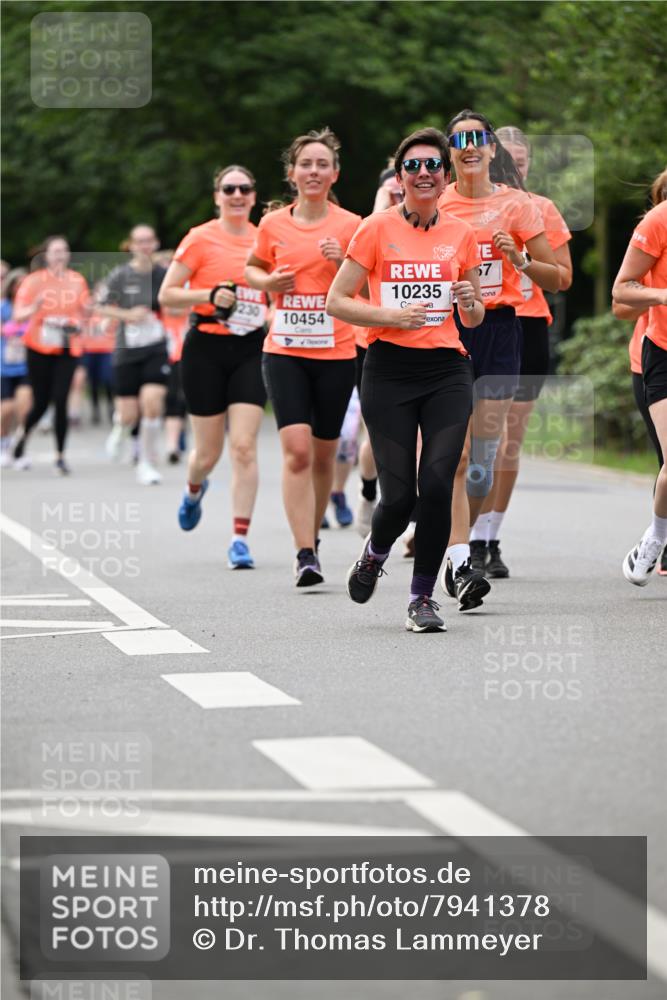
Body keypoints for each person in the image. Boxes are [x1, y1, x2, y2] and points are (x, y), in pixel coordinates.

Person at [327, 126, 484, 632]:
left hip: (447, 371)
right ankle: (375, 552)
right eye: (412, 166)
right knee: (398, 498)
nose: (423, 173)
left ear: (445, 177)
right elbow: (338, 300)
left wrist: (468, 302)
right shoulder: (375, 228)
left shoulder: (461, 234)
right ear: (400, 177)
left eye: (432, 166)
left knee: (437, 482)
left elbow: (477, 315)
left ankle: (422, 599)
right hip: (389, 370)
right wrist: (390, 317)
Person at [439, 110, 559, 609]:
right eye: (459, 139)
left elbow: (557, 277)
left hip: (503, 330)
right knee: (458, 454)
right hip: (447, 329)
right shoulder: (434, 201)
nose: (469, 146)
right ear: (450, 150)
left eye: (478, 138)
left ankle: (460, 536)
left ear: (492, 150)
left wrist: (522, 261)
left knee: (483, 464)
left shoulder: (519, 206)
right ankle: (459, 560)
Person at [245, 128, 360, 586]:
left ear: (335, 173)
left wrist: (338, 265)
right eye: (305, 164)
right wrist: (267, 283)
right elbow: (253, 267)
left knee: (323, 453)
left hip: (336, 350)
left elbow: (369, 290)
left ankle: (313, 533)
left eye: (322, 164)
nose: (313, 171)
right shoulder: (273, 225)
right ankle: (305, 552)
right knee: (296, 452)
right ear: (292, 174)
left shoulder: (352, 225)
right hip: (285, 350)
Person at [469, 125, 573, 578]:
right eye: (506, 159)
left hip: (526, 327)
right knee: (474, 441)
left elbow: (563, 276)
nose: (514, 168)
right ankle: (460, 529)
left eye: (522, 161)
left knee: (508, 442)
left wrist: (524, 261)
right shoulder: (470, 206)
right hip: (478, 325)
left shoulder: (541, 209)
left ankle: (488, 537)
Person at [159, 165, 268, 569]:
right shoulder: (200, 238)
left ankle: (239, 538)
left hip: (251, 348)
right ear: (217, 196)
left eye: (244, 188)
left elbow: (277, 290)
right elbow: (167, 295)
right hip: (204, 346)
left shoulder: (266, 238)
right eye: (229, 189)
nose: (237, 195)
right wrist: (211, 294)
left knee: (242, 446)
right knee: (207, 453)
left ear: (254, 196)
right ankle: (193, 489)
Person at [612, 171, 667, 585]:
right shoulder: (657, 221)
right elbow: (622, 294)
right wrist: (662, 296)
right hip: (661, 351)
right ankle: (657, 537)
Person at [98, 225, 170, 485]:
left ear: (156, 242)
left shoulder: (163, 274)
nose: (144, 246)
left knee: (152, 403)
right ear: (131, 245)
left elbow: (175, 301)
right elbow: (100, 307)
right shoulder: (120, 275)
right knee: (129, 414)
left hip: (156, 346)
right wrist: (127, 315)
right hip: (127, 349)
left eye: (148, 240)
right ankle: (120, 428)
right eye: (139, 241)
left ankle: (146, 461)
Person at [12, 236, 90, 474]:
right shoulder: (33, 281)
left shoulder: (77, 280)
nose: (60, 255)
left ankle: (60, 456)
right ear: (46, 255)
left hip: (67, 347)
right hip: (39, 347)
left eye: (64, 251)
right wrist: (34, 308)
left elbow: (84, 311)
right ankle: (22, 438)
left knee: (61, 399)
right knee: (41, 402)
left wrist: (83, 316)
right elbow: (18, 315)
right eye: (55, 251)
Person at [1, 268, 32, 466]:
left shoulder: (35, 308)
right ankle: (4, 442)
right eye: (18, 284)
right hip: (4, 366)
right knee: (6, 410)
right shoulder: (4, 307)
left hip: (26, 366)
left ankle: (19, 451)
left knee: (24, 408)